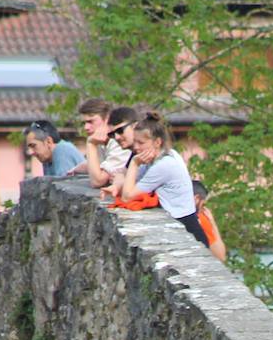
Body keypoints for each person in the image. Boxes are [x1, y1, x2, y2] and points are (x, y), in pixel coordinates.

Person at [120, 111, 209, 248]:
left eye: (141, 142)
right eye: (135, 142)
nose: (135, 147)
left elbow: (127, 196)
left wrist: (133, 163)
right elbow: (128, 183)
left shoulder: (164, 165)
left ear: (157, 142)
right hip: (179, 225)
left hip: (186, 230)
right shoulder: (159, 158)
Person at [75, 97, 130, 188]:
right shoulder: (99, 140)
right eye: (84, 123)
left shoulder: (120, 142)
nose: (86, 127)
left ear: (107, 119)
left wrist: (90, 144)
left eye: (90, 121)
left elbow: (97, 181)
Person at [192, 180, 227, 262]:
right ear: (197, 199)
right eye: (203, 204)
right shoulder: (200, 218)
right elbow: (221, 256)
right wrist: (212, 223)